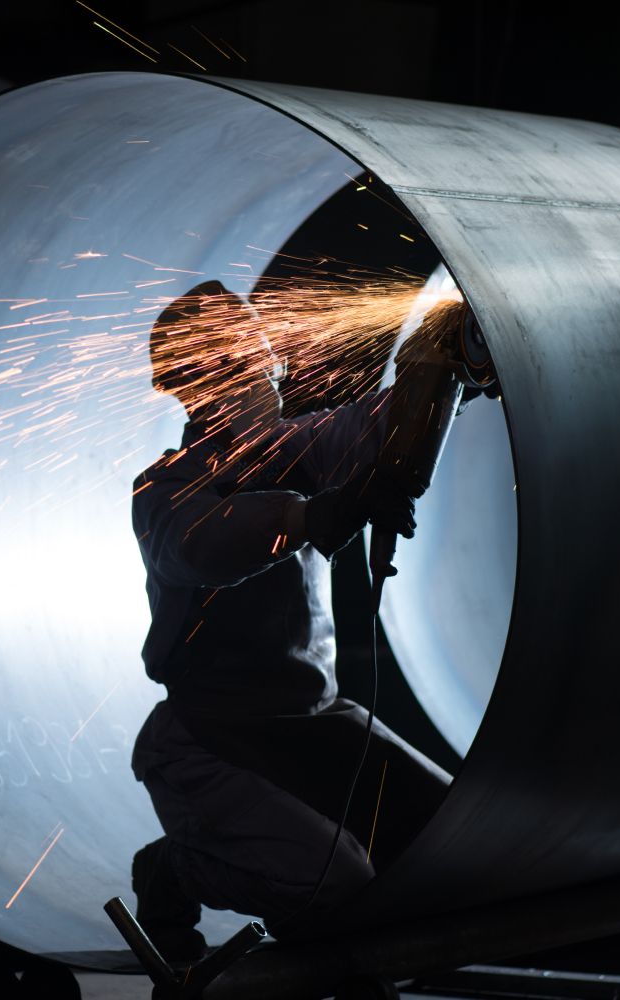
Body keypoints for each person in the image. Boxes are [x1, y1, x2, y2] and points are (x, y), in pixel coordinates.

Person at [130, 280, 458, 959]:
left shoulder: (295, 448)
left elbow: (377, 430)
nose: (260, 371)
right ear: (189, 383)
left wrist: (444, 363)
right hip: (210, 739)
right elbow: (205, 543)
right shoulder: (165, 489)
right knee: (333, 885)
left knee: (449, 836)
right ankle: (177, 868)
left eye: (257, 354)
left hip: (312, 720)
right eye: (237, 360)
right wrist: (306, 516)